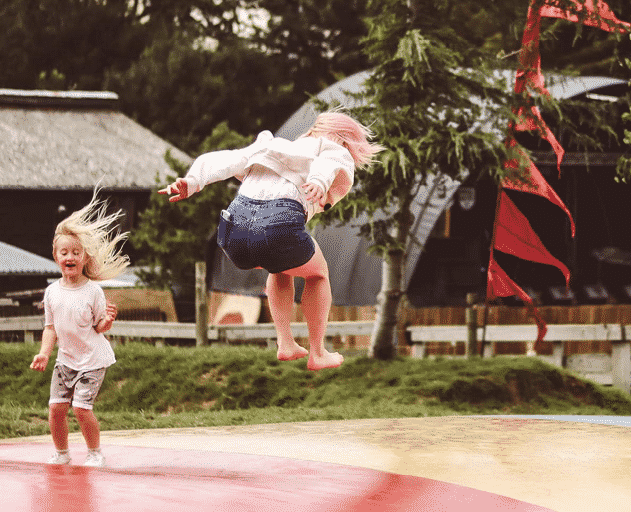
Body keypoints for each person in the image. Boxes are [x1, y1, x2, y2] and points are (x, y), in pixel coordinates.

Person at [160, 111, 382, 370]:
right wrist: (320, 182)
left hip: (233, 231)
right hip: (278, 224)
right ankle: (318, 353)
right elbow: (330, 162)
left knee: (281, 266)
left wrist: (193, 181)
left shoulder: (268, 146)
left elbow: (226, 159)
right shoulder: (333, 150)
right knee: (318, 274)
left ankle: (285, 343)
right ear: (345, 141)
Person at [30, 190, 129, 467]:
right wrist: (44, 354)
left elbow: (99, 326)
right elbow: (50, 327)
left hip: (92, 361)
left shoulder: (93, 291)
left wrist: (107, 322)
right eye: (64, 252)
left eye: (76, 252)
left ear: (84, 258)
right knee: (56, 408)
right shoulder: (51, 292)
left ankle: (95, 453)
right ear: (56, 256)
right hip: (66, 360)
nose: (70, 256)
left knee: (82, 409)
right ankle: (62, 454)